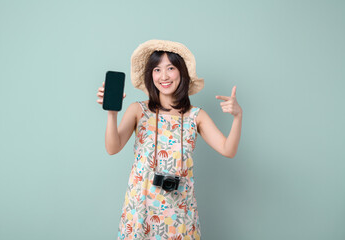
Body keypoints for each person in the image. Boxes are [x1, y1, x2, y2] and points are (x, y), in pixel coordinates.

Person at [96, 39, 243, 240]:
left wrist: (237, 117)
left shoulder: (196, 116)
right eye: (157, 69)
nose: (163, 76)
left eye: (171, 68)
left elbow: (228, 149)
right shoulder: (138, 111)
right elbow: (112, 148)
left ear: (181, 72)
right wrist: (112, 113)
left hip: (180, 214)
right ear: (150, 75)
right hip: (141, 211)